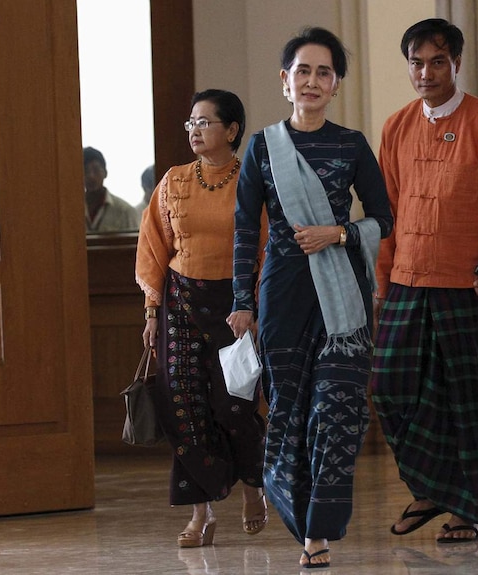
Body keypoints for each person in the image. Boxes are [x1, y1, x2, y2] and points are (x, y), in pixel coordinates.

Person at [228, 27, 393, 570]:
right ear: (285, 81)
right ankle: (305, 527)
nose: (313, 81)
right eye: (303, 71)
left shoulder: (350, 145)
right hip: (282, 297)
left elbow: (384, 218)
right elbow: (245, 231)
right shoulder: (263, 146)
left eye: (325, 72)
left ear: (337, 83)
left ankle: (318, 530)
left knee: (337, 410)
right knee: (290, 414)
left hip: (342, 294)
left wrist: (338, 234)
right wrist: (241, 302)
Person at [371, 18, 478, 544]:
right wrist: (381, 282)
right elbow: (385, 212)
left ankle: (463, 511)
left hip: (467, 287)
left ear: (457, 64)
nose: (426, 72)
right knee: (387, 388)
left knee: (468, 400)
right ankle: (428, 489)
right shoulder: (396, 125)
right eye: (416, 63)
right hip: (404, 284)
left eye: (437, 61)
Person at [135, 89, 269, 549]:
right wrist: (153, 310)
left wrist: (253, 305)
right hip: (181, 304)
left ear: (231, 131)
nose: (195, 130)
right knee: (183, 406)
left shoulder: (251, 180)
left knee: (233, 407)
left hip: (236, 307)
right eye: (191, 122)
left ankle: (254, 487)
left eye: (205, 122)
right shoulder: (173, 180)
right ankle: (201, 514)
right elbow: (154, 246)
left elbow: (269, 250)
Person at [83, 146, 141, 232]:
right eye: (85, 171)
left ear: (105, 173)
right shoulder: (70, 210)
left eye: (96, 170)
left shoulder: (124, 211)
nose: (91, 176)